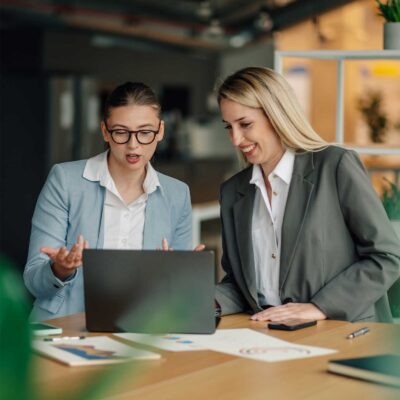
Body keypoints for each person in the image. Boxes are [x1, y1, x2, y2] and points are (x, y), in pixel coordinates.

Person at [214, 66, 400, 323]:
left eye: (245, 124)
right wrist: (207, 300)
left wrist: (320, 307)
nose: (235, 139)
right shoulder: (233, 191)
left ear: (276, 115)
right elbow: (240, 283)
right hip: (265, 336)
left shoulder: (335, 166)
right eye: (228, 127)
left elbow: (386, 257)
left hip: (340, 331)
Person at [24, 82, 194, 321]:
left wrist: (184, 276)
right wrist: (60, 270)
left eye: (145, 132)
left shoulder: (178, 194)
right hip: (66, 326)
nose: (133, 145)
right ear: (105, 131)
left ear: (161, 130)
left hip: (140, 329)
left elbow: (181, 297)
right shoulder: (65, 180)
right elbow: (33, 281)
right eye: (121, 132)